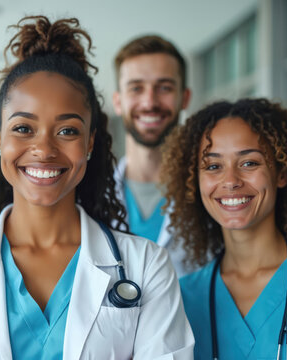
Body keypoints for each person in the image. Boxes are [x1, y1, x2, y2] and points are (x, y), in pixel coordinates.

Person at [0, 16, 194, 360]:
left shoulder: (147, 266)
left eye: (67, 131)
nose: (44, 150)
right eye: (23, 128)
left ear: (90, 142)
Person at [161, 98, 287, 359]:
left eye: (249, 163)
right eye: (213, 166)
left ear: (282, 173)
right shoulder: (180, 298)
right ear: (194, 182)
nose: (231, 181)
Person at [111, 35, 193, 276]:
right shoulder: (87, 196)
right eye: (136, 88)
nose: (150, 102)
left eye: (164, 88)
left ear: (184, 98)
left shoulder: (209, 194)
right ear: (118, 101)